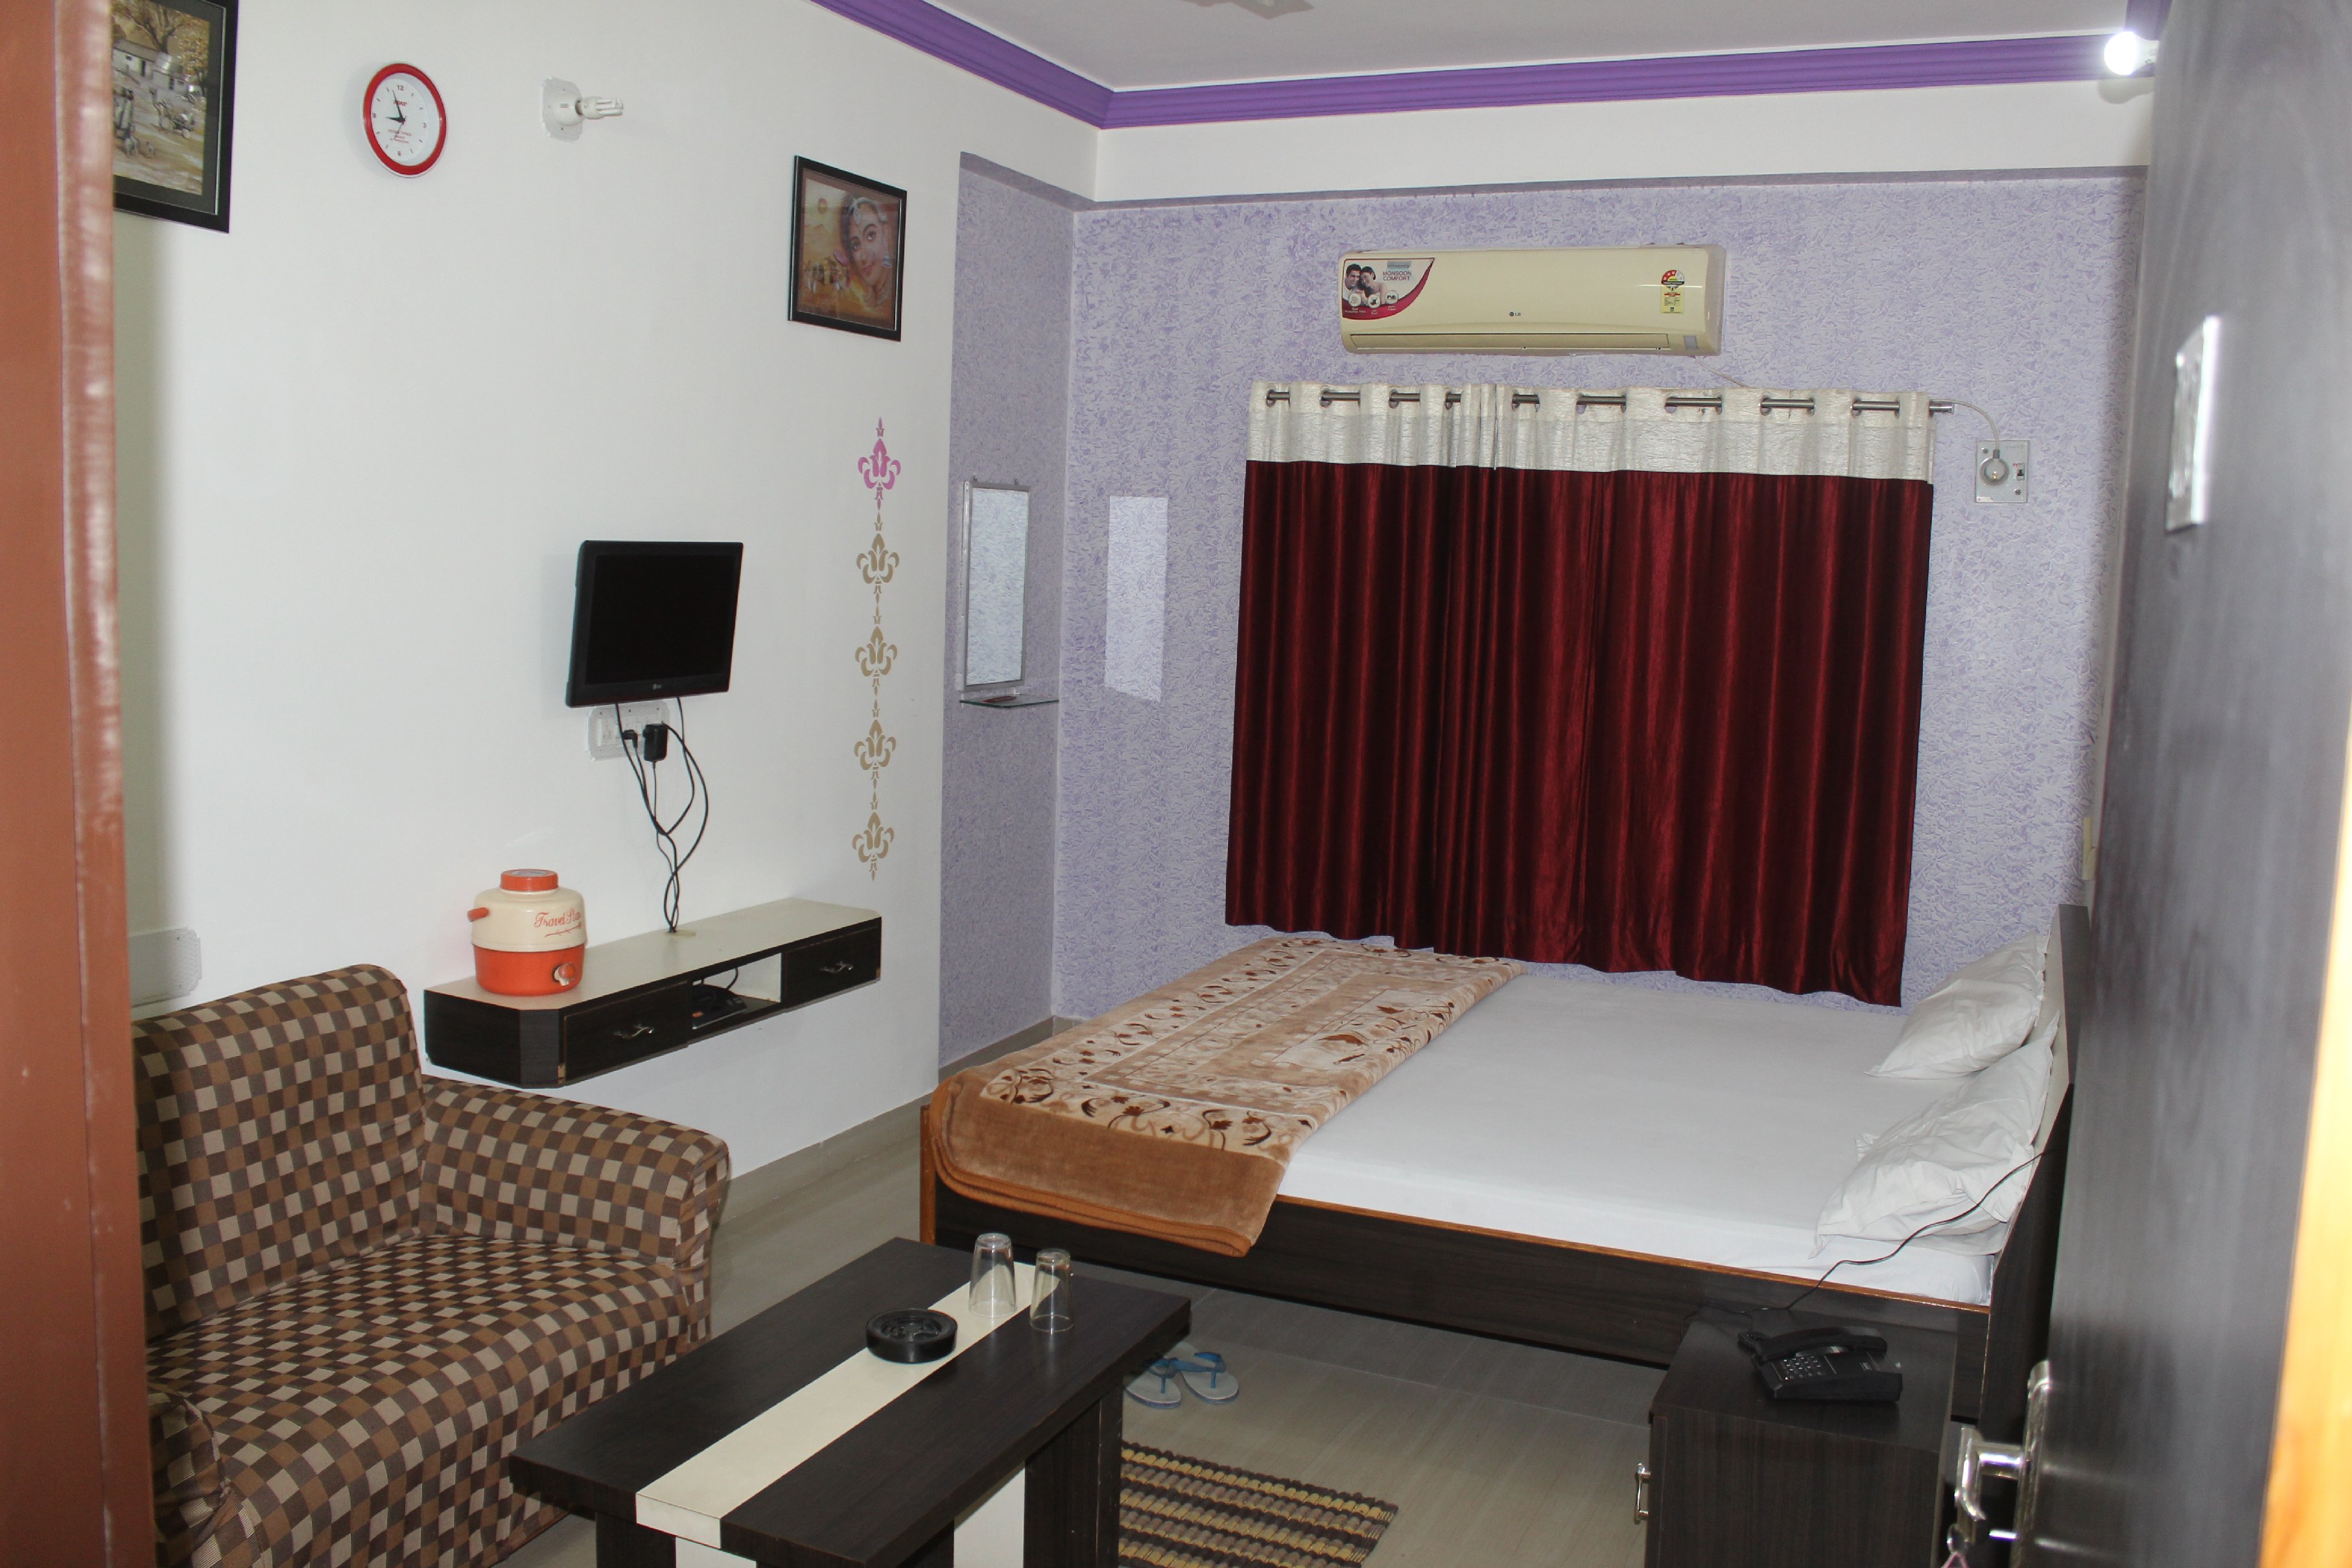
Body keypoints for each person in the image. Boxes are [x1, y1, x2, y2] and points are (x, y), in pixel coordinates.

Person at [830, 196, 897, 320]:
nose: (864, 256)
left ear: (885, 234)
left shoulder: (897, 297)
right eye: (855, 245)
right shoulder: (855, 303)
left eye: (871, 235)